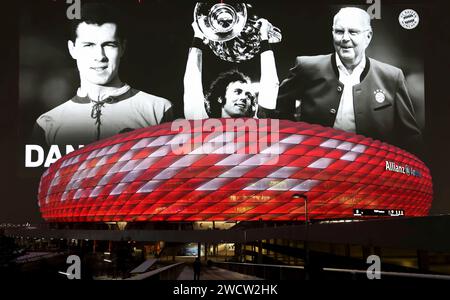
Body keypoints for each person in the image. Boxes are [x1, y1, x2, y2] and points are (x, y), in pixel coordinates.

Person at [275, 7, 422, 152]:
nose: (345, 38)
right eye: (339, 31)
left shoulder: (392, 77)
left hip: (373, 170)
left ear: (368, 36)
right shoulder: (306, 67)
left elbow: (409, 137)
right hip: (316, 168)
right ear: (332, 33)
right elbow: (278, 111)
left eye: (353, 32)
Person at [34, 3, 173, 146]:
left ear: (122, 47)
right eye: (88, 45)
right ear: (72, 49)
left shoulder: (158, 110)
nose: (100, 56)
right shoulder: (47, 124)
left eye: (109, 45)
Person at [183, 19, 279, 120]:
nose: (244, 98)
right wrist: (198, 35)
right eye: (238, 91)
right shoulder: (201, 125)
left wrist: (264, 36)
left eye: (248, 95)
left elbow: (271, 84)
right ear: (220, 98)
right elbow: (191, 84)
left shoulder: (261, 125)